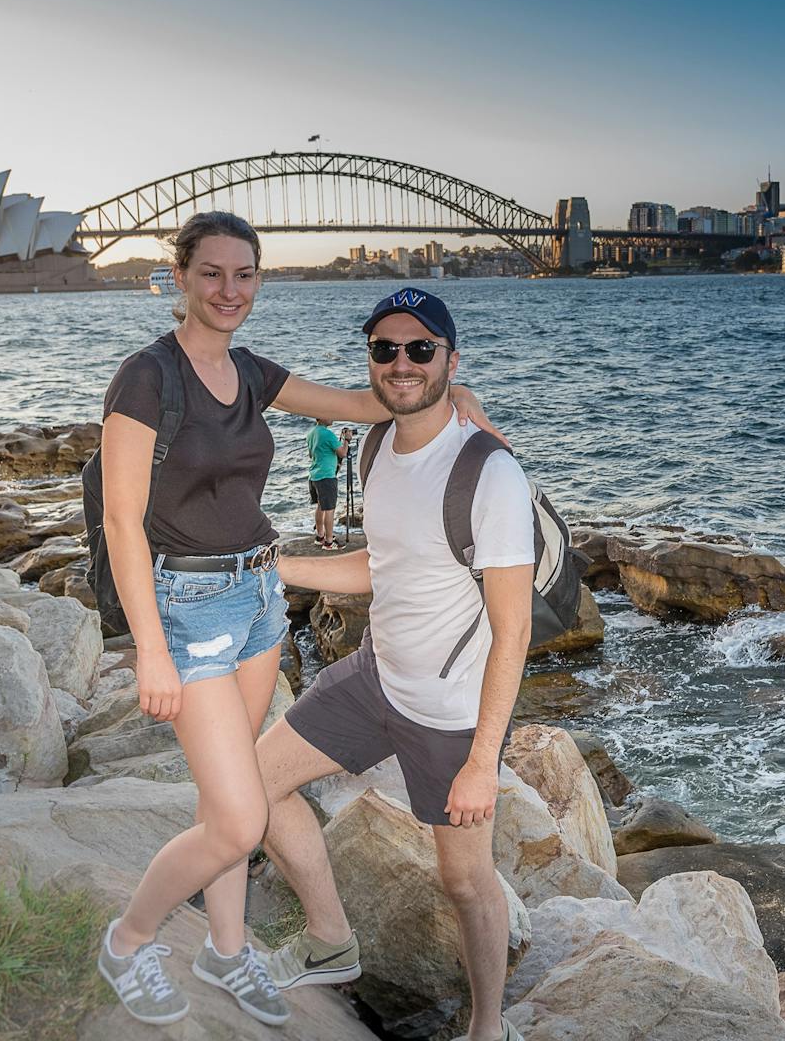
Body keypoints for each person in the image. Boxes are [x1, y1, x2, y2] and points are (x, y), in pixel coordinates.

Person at [94, 218, 499, 1028]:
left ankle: (226, 948)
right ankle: (128, 942)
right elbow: (119, 521)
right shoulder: (146, 378)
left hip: (257, 598)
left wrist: (457, 398)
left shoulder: (248, 372)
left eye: (244, 275)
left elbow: (362, 403)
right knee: (242, 817)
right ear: (180, 277)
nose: (229, 291)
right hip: (190, 609)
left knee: (226, 800)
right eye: (211, 274)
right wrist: (150, 652)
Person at [257, 288, 534, 1041]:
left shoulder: (491, 474)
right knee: (255, 785)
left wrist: (483, 761)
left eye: (421, 349)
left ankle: (487, 1028)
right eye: (385, 349)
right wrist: (277, 567)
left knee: (465, 881)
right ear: (370, 359)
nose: (402, 363)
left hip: (451, 715)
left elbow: (513, 632)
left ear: (450, 358)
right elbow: (382, 567)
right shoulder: (376, 443)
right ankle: (329, 941)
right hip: (375, 678)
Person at [306, 417, 342, 548]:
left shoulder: (311, 433)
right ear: (320, 417)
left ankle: (320, 536)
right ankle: (328, 542)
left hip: (314, 476)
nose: (332, 416)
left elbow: (311, 455)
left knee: (321, 506)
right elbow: (342, 453)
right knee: (330, 510)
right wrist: (346, 441)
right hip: (327, 476)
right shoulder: (328, 434)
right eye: (328, 414)